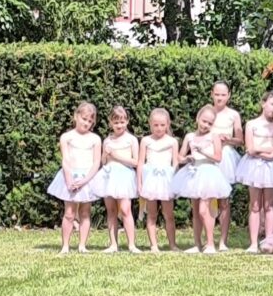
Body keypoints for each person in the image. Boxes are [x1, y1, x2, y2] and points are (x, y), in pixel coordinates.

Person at [237, 93, 273, 253]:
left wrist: (264, 153)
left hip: (272, 167)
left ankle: (269, 240)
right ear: (263, 103)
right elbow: (250, 149)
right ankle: (253, 243)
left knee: (269, 205)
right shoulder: (251, 124)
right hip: (254, 166)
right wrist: (264, 150)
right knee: (255, 205)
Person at [173, 107, 232, 253]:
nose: (206, 125)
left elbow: (218, 157)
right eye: (204, 121)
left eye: (210, 123)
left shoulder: (214, 136)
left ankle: (210, 243)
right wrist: (186, 158)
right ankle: (198, 244)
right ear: (197, 119)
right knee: (196, 210)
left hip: (209, 173)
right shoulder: (189, 136)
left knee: (204, 209)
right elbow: (179, 156)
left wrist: (203, 152)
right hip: (193, 172)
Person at [47, 102, 103, 254]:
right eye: (84, 119)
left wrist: (85, 181)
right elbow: (65, 160)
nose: (86, 123)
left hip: (87, 179)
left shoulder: (95, 139)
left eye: (90, 121)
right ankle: (65, 246)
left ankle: (82, 245)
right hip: (70, 177)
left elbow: (96, 162)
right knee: (69, 213)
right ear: (76, 116)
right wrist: (69, 180)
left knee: (85, 212)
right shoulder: (67, 137)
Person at [94, 105, 142, 253]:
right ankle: (113, 244)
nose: (119, 125)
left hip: (124, 176)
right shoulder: (107, 140)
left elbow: (136, 162)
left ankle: (131, 244)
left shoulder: (131, 140)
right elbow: (103, 162)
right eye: (116, 122)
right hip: (108, 176)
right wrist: (105, 155)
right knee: (111, 210)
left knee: (126, 209)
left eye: (122, 122)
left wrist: (116, 155)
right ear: (110, 123)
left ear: (127, 121)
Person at [205, 83, 244, 247]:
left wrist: (227, 139)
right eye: (217, 94)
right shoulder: (207, 112)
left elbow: (240, 140)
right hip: (209, 155)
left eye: (223, 95)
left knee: (224, 201)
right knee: (207, 199)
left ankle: (223, 241)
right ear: (211, 94)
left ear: (229, 95)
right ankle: (208, 240)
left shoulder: (233, 115)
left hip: (226, 157)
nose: (220, 98)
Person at [137, 108, 181, 252]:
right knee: (152, 214)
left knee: (169, 214)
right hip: (150, 180)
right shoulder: (146, 141)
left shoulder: (172, 141)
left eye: (162, 125)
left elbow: (175, 163)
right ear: (150, 124)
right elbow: (140, 163)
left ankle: (172, 245)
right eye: (155, 125)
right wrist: (139, 183)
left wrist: (176, 183)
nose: (159, 128)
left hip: (166, 180)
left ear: (168, 124)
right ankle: (153, 245)